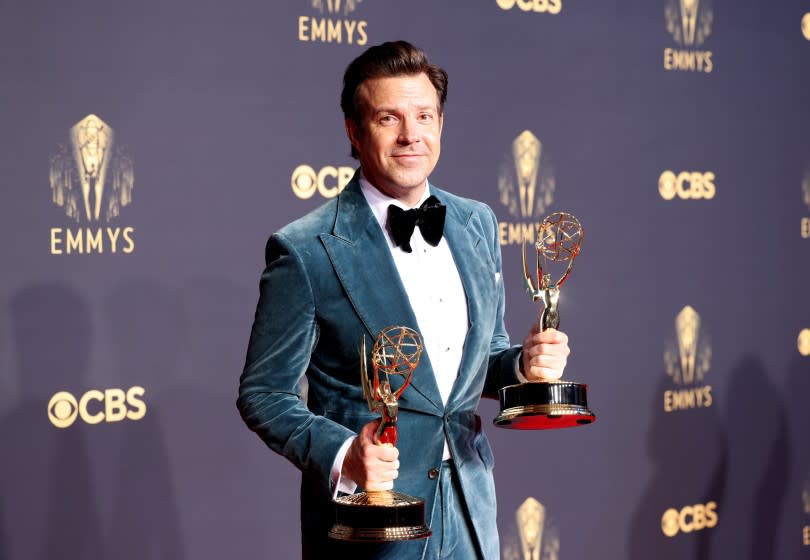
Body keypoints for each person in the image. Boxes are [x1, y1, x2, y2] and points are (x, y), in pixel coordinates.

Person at [237, 40, 570, 559]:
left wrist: (524, 367)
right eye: (389, 118)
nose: (411, 135)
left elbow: (475, 367)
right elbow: (264, 394)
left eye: (424, 115)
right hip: (370, 526)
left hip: (470, 512)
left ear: (440, 122)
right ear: (354, 129)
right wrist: (345, 454)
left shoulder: (476, 223)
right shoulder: (305, 248)